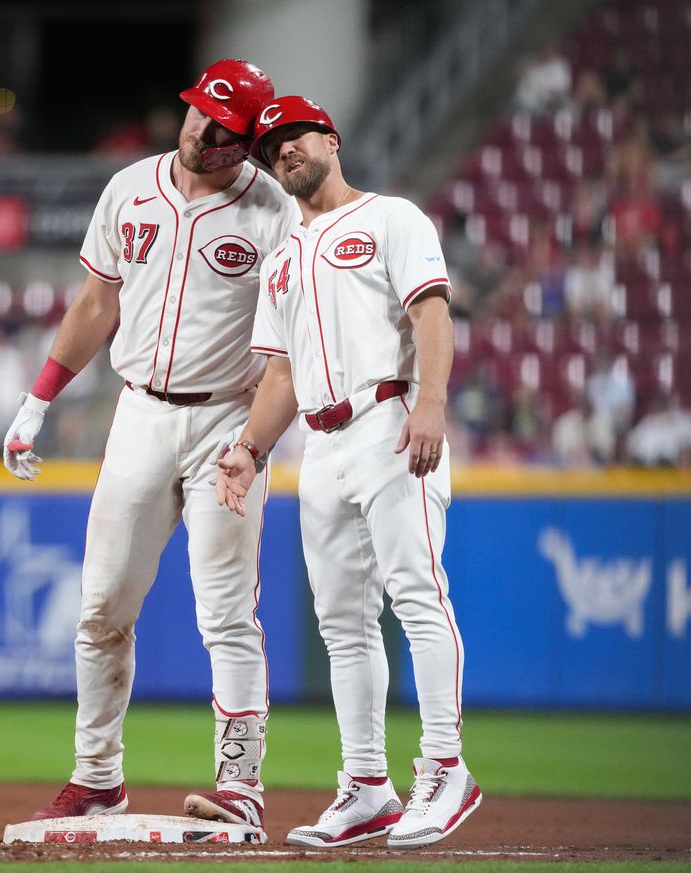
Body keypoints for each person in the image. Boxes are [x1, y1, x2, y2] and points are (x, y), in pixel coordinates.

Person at [2, 59, 298, 834]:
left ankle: (240, 784)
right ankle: (97, 776)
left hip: (226, 423)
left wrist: (256, 444)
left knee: (227, 612)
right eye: (199, 112)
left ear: (249, 141)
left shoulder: (272, 212)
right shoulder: (131, 186)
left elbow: (285, 354)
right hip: (138, 414)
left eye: (223, 125)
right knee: (101, 605)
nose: (202, 129)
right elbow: (98, 301)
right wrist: (37, 400)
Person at [215, 96, 480, 849]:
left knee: (418, 594)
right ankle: (367, 784)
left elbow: (432, 314)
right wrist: (249, 447)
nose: (280, 152)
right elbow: (282, 375)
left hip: (390, 421)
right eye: (268, 148)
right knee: (341, 623)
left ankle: (445, 767)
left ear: (329, 138)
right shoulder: (283, 256)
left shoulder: (392, 218)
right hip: (320, 445)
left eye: (291, 136)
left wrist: (430, 405)